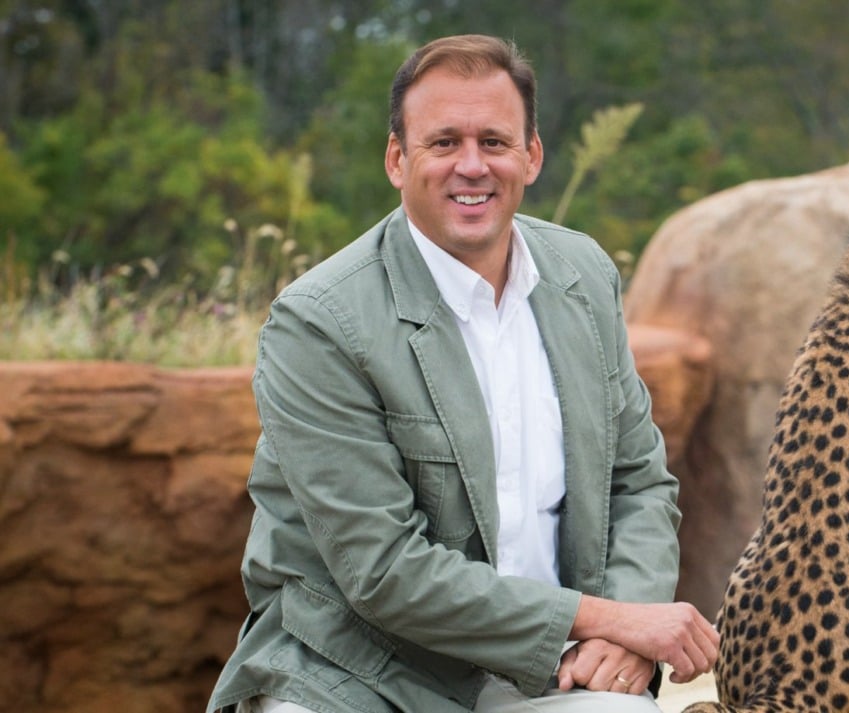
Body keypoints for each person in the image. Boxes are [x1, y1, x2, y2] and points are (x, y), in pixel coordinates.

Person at [207, 34, 718, 713]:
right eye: (443, 143)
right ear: (397, 159)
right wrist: (605, 618)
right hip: (357, 673)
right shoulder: (320, 321)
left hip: (552, 670)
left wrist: (626, 625)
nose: (471, 166)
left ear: (531, 156)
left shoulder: (583, 275)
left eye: (495, 142)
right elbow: (383, 570)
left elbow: (640, 483)